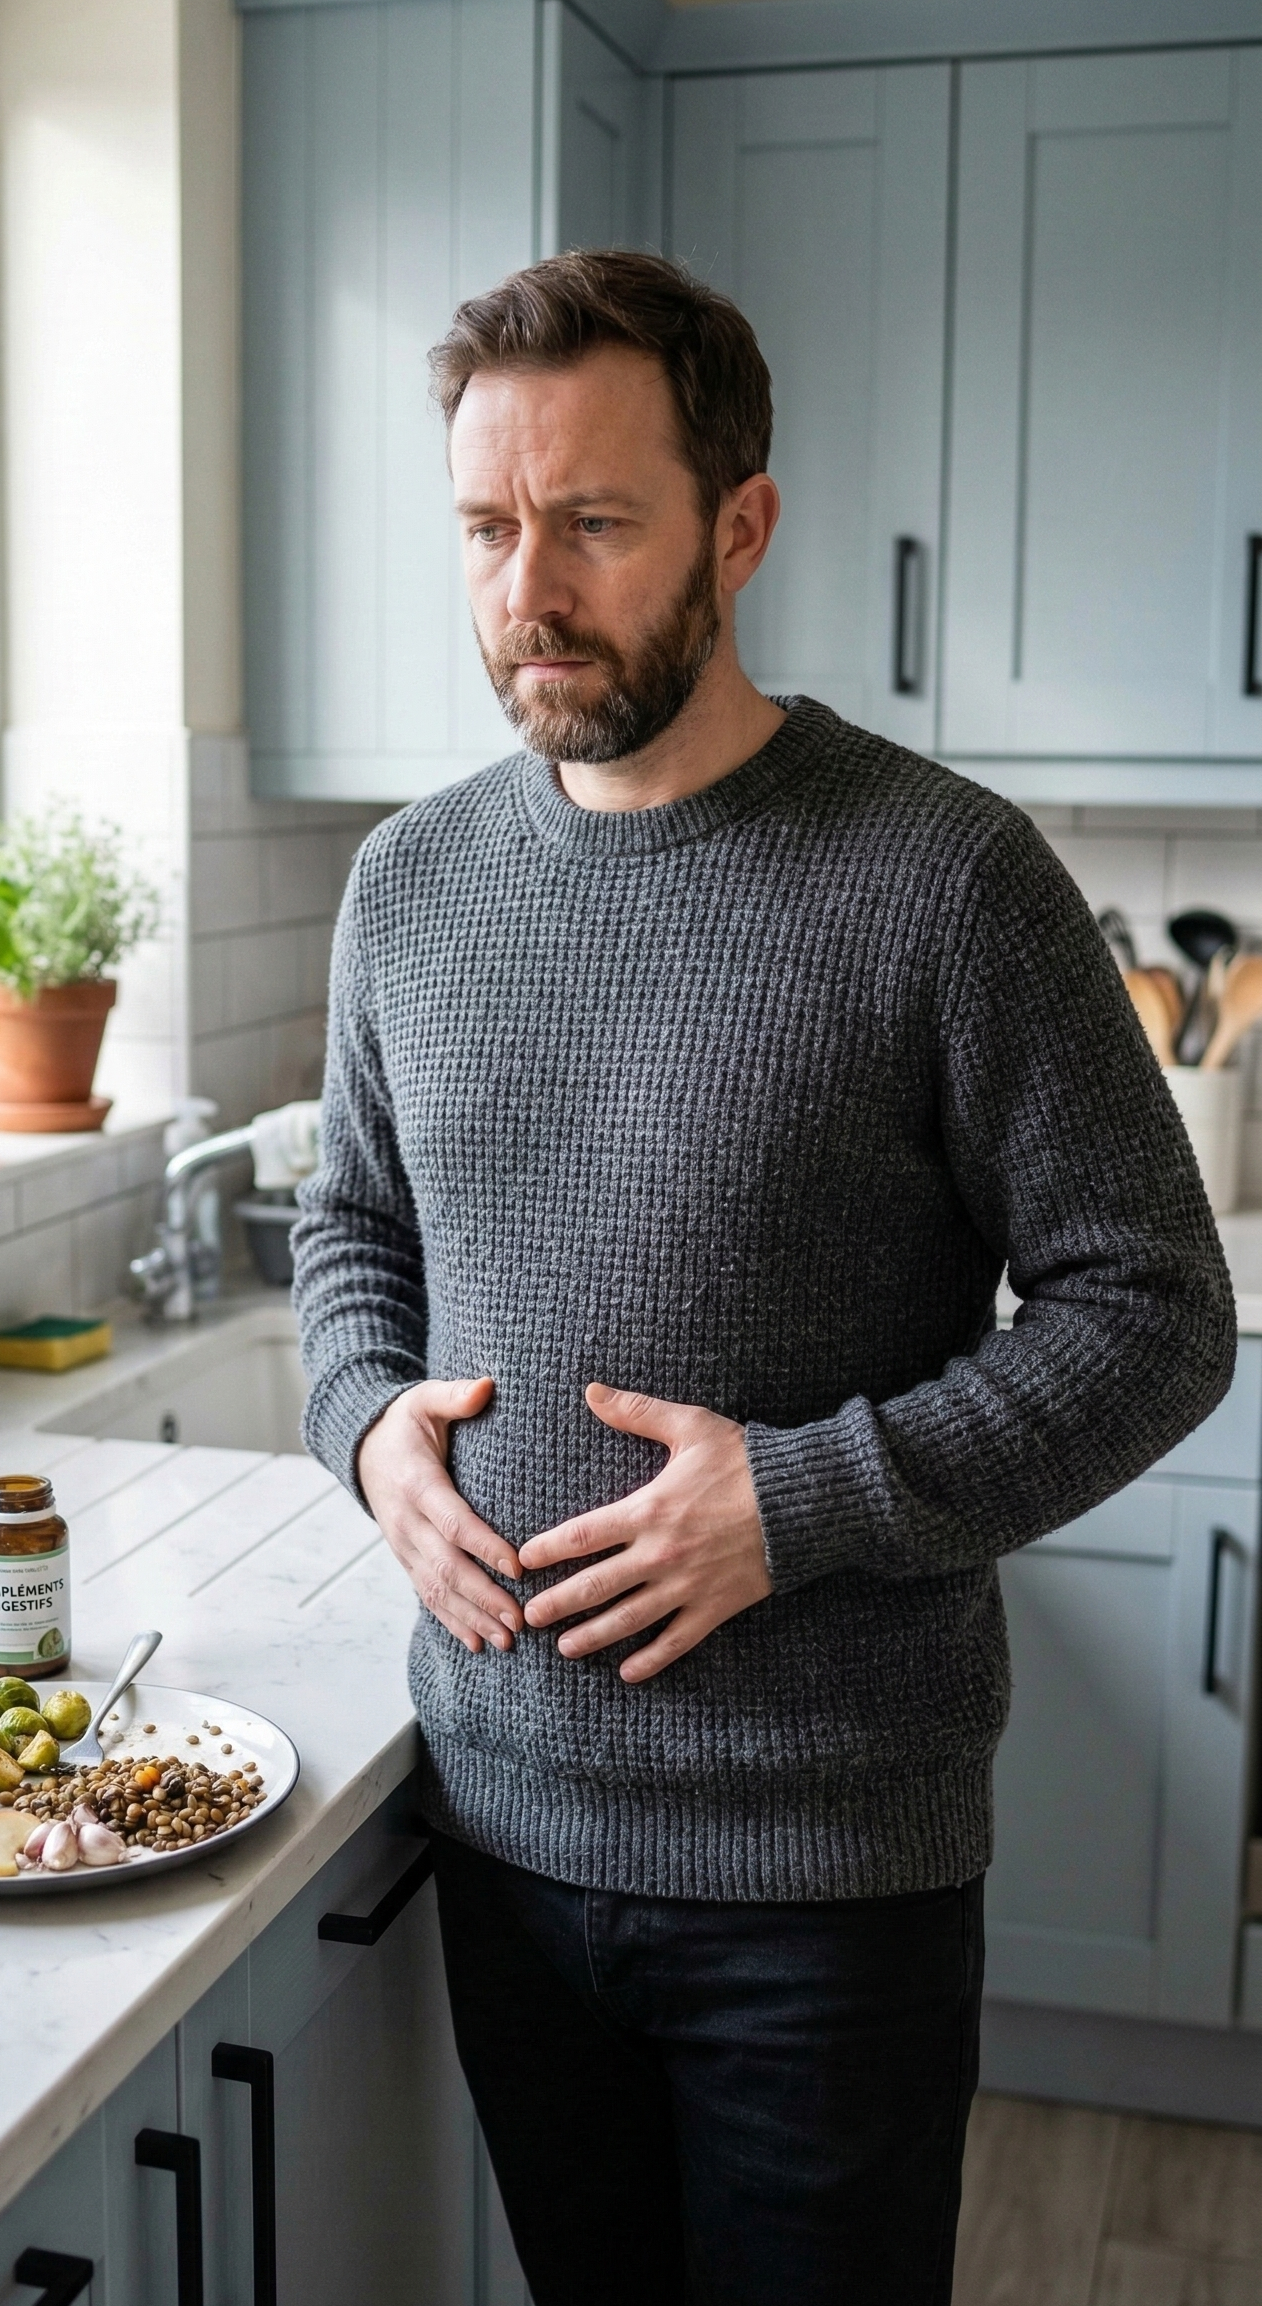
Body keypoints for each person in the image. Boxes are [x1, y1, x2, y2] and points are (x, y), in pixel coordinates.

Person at [290, 249, 1234, 2305]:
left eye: (594, 525)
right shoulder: (407, 888)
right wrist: (368, 1428)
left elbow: (1156, 1310)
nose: (525, 594)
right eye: (484, 527)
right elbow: (350, 1223)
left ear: (742, 524)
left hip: (829, 1884)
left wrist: (798, 1501)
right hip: (503, 1826)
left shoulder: (947, 880)